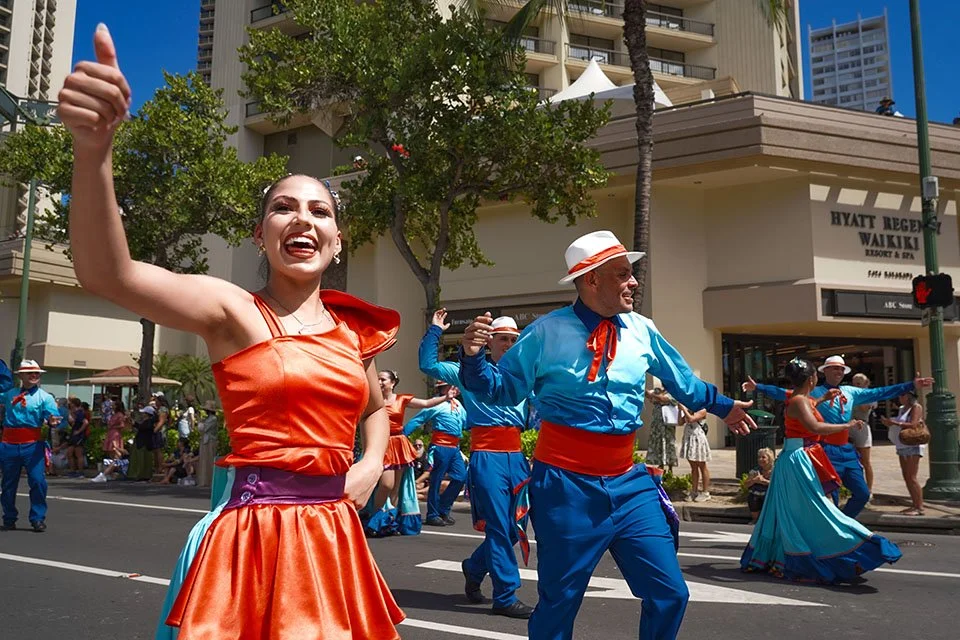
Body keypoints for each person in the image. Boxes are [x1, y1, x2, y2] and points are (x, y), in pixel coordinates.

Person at [58, 25, 403, 638]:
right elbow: (109, 273)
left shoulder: (352, 331)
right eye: (284, 207)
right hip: (253, 538)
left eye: (320, 210)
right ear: (260, 235)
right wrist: (95, 154)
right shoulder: (233, 310)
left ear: (338, 240)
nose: (303, 218)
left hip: (334, 539)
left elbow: (377, 407)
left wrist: (371, 462)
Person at [458, 230, 756, 640]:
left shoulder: (642, 329)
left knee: (670, 594)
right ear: (591, 279)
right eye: (622, 274)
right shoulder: (546, 333)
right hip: (565, 485)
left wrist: (726, 407)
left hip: (629, 482)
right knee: (559, 603)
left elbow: (685, 384)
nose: (633, 282)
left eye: (630, 274)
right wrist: (472, 360)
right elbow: (503, 390)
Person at [741, 358, 901, 582]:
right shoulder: (798, 401)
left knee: (799, 510)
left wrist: (823, 398)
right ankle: (844, 548)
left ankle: (799, 554)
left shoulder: (803, 399)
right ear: (811, 379)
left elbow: (809, 408)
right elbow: (815, 426)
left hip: (802, 457)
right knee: (816, 508)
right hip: (799, 459)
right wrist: (847, 425)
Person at [420, 308, 534, 619]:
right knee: (498, 527)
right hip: (488, 457)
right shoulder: (464, 371)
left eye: (514, 339)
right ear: (489, 342)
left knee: (514, 530)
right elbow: (427, 364)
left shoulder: (525, 375)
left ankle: (473, 567)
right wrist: (434, 331)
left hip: (518, 460)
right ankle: (506, 596)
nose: (509, 344)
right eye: (503, 339)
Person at [743, 355, 932, 518]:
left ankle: (842, 522)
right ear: (823, 372)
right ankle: (832, 531)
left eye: (841, 369)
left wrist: (910, 385)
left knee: (862, 493)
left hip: (846, 449)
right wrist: (758, 387)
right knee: (828, 497)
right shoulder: (810, 393)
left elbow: (880, 392)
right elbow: (783, 393)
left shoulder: (850, 392)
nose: (839, 372)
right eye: (834, 368)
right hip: (824, 449)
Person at [363, 369, 452, 536]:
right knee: (385, 484)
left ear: (392, 382)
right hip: (380, 442)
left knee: (396, 487)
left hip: (398, 443)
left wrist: (445, 397)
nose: (380, 382)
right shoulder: (372, 399)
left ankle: (390, 521)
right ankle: (374, 519)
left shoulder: (401, 399)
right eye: (378, 379)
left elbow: (426, 404)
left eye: (383, 379)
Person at [0, 360, 61, 532]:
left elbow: (52, 414)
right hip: (9, 444)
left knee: (38, 481)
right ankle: (9, 517)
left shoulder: (45, 397)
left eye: (37, 373)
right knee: (7, 484)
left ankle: (37, 518)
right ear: (21, 376)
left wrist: (53, 420)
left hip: (32, 446)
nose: (34, 376)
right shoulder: (9, 393)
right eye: (30, 373)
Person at [403, 381, 467, 527]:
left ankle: (443, 509)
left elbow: (466, 423)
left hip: (454, 448)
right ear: (443, 389)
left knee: (461, 477)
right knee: (436, 480)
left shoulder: (458, 405)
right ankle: (432, 514)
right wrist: (402, 434)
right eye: (451, 386)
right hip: (441, 446)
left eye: (455, 386)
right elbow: (417, 420)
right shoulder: (435, 404)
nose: (455, 388)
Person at [881, 391, 926, 516]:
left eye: (902, 395)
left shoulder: (916, 407)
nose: (900, 397)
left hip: (913, 444)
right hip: (902, 443)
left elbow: (913, 424)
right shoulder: (902, 409)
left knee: (912, 477)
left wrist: (894, 423)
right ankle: (914, 504)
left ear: (908, 396)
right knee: (906, 476)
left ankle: (919, 507)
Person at [849, 373, 877, 494]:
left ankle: (869, 489)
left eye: (859, 383)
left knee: (865, 461)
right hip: (849, 425)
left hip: (862, 426)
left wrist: (857, 396)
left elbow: (865, 408)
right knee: (851, 459)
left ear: (866, 384)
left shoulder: (869, 395)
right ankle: (855, 487)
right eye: (854, 383)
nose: (855, 385)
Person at [678, 403, 711, 502]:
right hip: (689, 438)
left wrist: (684, 409)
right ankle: (694, 490)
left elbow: (692, 419)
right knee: (693, 467)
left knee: (702, 465)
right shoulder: (688, 410)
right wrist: (680, 411)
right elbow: (680, 422)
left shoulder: (702, 410)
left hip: (698, 439)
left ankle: (705, 492)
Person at [644, 386, 678, 470]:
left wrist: (654, 395)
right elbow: (648, 396)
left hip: (668, 424)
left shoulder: (673, 392)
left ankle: (670, 467)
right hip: (657, 424)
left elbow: (664, 399)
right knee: (658, 444)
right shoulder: (657, 391)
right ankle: (660, 465)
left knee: (669, 444)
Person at [744, 447, 774, 524]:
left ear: (769, 458)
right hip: (757, 494)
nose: (760, 459)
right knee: (752, 497)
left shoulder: (775, 470)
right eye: (759, 457)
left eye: (763, 457)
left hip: (770, 493)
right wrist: (754, 480)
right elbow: (746, 485)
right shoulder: (755, 471)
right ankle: (755, 519)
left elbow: (778, 485)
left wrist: (764, 481)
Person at [194, 401, 219, 488]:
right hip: (205, 441)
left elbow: (203, 429)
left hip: (210, 441)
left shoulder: (213, 419)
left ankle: (209, 480)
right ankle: (203, 480)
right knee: (204, 460)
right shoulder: (207, 419)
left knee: (209, 459)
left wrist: (199, 420)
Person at [65, 397, 90, 477]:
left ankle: (80, 472)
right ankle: (73, 470)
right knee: (69, 453)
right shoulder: (74, 413)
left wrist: (79, 431)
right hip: (74, 435)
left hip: (79, 436)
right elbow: (73, 423)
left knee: (78, 453)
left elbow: (85, 422)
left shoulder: (80, 413)